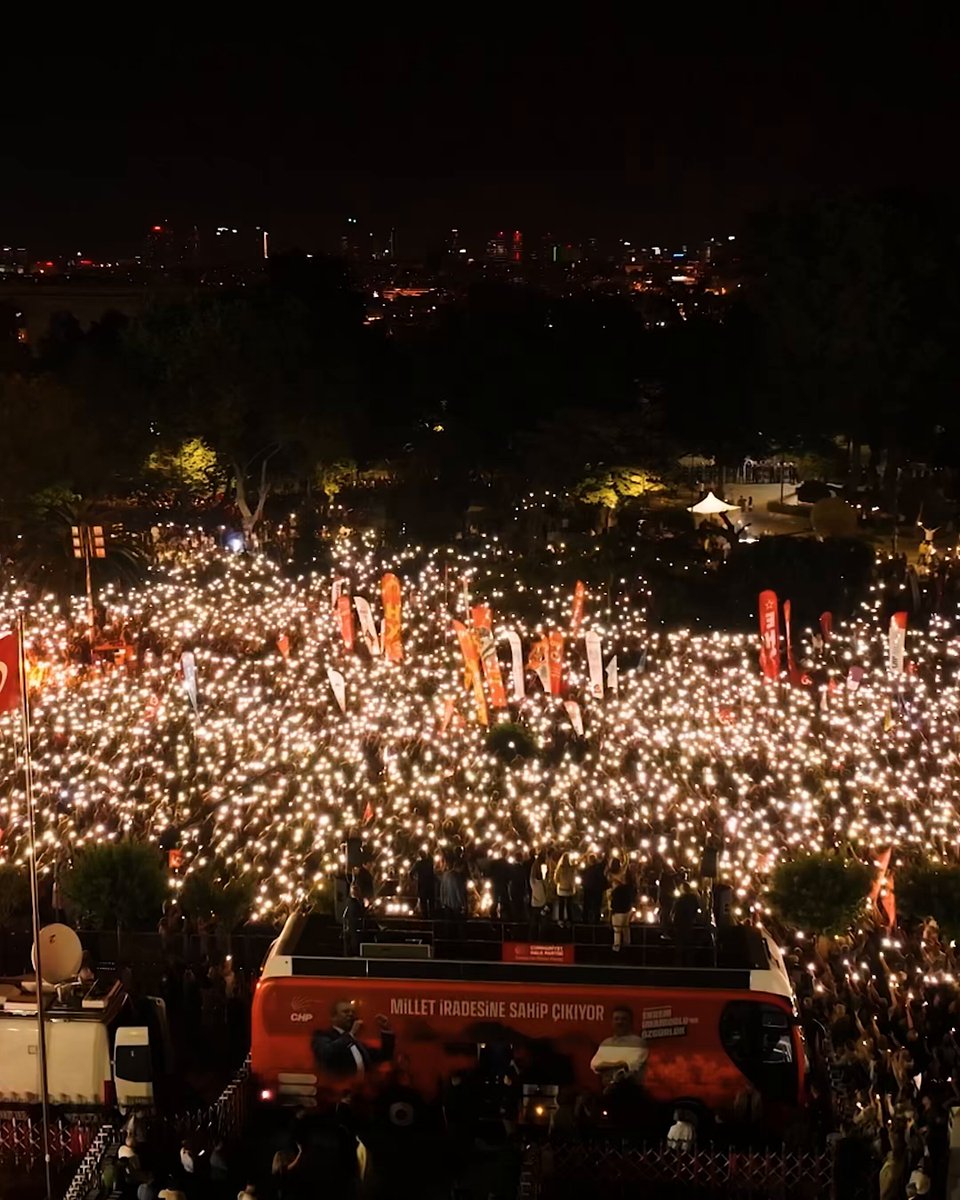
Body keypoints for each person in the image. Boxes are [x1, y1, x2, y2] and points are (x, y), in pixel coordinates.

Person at [312, 999, 395, 1079]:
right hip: (337, 1089)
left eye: (353, 1012)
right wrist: (351, 1035)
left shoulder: (357, 1043)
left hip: (360, 1090)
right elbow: (327, 1053)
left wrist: (386, 1030)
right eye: (346, 1012)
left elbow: (384, 1056)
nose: (350, 1015)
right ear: (333, 1017)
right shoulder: (322, 1036)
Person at [589, 1006, 648, 1091]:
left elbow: (628, 1065)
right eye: (616, 1019)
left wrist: (605, 1065)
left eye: (623, 1019)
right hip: (608, 1092)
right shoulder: (606, 1043)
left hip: (631, 1091)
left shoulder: (638, 1043)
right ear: (612, 1022)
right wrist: (617, 1064)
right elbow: (595, 1065)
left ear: (631, 1022)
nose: (619, 1022)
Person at [610, 872, 636, 951]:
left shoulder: (618, 890)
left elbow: (613, 902)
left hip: (618, 912)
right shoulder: (630, 888)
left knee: (617, 930)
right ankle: (627, 943)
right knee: (626, 928)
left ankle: (616, 946)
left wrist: (612, 910)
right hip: (627, 911)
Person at [341, 882, 365, 956]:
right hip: (354, 924)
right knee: (354, 939)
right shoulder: (353, 903)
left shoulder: (350, 902)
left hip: (352, 924)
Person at [581, 854, 606, 925]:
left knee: (587, 906)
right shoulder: (599, 868)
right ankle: (596, 921)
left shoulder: (587, 869)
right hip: (597, 890)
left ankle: (585, 921)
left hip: (589, 889)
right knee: (596, 907)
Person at [554, 852, 576, 924]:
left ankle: (561, 920)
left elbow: (556, 879)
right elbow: (573, 878)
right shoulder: (572, 868)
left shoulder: (559, 869)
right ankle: (570, 921)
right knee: (569, 906)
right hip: (569, 889)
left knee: (561, 906)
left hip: (561, 890)